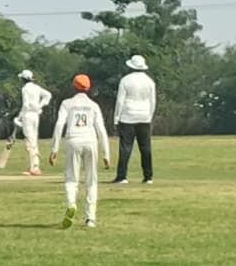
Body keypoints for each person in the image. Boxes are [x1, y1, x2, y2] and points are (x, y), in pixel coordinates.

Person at [49, 74, 110, 229]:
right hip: (90, 141)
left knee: (71, 179)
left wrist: (54, 149)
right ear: (88, 88)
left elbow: (59, 125)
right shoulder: (93, 105)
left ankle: (71, 204)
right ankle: (90, 218)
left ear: (73, 86)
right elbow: (101, 129)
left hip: (73, 140)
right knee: (91, 181)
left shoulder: (67, 104)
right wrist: (106, 153)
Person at [113, 54, 156, 184]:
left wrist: (116, 118)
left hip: (128, 116)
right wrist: (150, 116)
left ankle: (122, 176)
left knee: (125, 147)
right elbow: (153, 101)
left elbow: (120, 101)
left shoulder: (125, 80)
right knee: (145, 147)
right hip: (144, 116)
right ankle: (148, 176)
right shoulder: (149, 81)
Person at [15, 70, 52, 175]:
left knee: (30, 141)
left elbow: (26, 105)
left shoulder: (25, 89)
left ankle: (34, 168)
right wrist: (40, 106)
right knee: (33, 140)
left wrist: (19, 117)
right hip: (35, 115)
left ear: (23, 79)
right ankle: (34, 166)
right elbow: (48, 95)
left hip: (28, 115)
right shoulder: (36, 87)